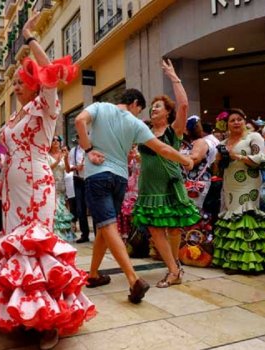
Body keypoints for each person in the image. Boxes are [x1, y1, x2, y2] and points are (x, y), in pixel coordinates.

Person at [0, 13, 93, 350]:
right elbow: (3, 150)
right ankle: (24, 313)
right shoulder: (14, 118)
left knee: (37, 245)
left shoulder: (45, 108)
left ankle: (49, 321)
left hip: (37, 184)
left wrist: (30, 37)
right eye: (15, 82)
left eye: (21, 81)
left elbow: (51, 78)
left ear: (35, 83)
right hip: (11, 187)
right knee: (16, 246)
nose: (16, 86)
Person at [75, 81, 195, 302]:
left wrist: (89, 149)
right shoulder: (136, 123)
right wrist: (185, 159)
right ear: (135, 104)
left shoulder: (100, 107)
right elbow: (162, 149)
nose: (143, 112)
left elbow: (79, 120)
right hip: (120, 178)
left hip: (98, 175)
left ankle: (133, 279)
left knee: (107, 225)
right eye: (142, 108)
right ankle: (93, 274)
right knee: (104, 227)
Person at [132, 60, 200, 288]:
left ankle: (174, 267)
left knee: (172, 227)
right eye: (152, 107)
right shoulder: (145, 132)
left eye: (158, 107)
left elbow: (183, 105)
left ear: (168, 112)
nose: (153, 109)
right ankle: (173, 268)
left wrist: (173, 76)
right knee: (154, 227)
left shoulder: (173, 131)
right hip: (149, 188)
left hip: (169, 186)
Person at [212, 109, 265, 273]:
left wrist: (237, 156)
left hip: (249, 183)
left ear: (244, 121)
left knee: (245, 214)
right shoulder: (223, 143)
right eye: (232, 120)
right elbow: (216, 172)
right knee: (232, 216)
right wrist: (218, 160)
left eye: (239, 119)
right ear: (226, 124)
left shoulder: (254, 137)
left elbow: (261, 159)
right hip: (230, 183)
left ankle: (250, 260)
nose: (236, 122)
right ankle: (233, 261)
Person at [181, 115, 215, 210]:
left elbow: (195, 159)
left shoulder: (201, 142)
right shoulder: (187, 144)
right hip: (186, 182)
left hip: (196, 183)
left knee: (193, 211)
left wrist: (175, 157)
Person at [48, 135, 75, 242]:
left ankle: (64, 234)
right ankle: (53, 233)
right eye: (53, 140)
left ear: (60, 142)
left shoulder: (63, 155)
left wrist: (66, 158)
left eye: (57, 140)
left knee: (62, 208)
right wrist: (57, 160)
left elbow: (68, 170)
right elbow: (47, 168)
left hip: (61, 185)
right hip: (50, 184)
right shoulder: (46, 155)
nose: (55, 141)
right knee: (54, 208)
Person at [68, 137, 91, 243]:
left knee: (93, 207)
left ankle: (97, 233)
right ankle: (84, 234)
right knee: (80, 208)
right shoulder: (73, 151)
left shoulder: (91, 149)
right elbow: (69, 165)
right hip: (78, 180)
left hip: (90, 179)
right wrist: (75, 167)